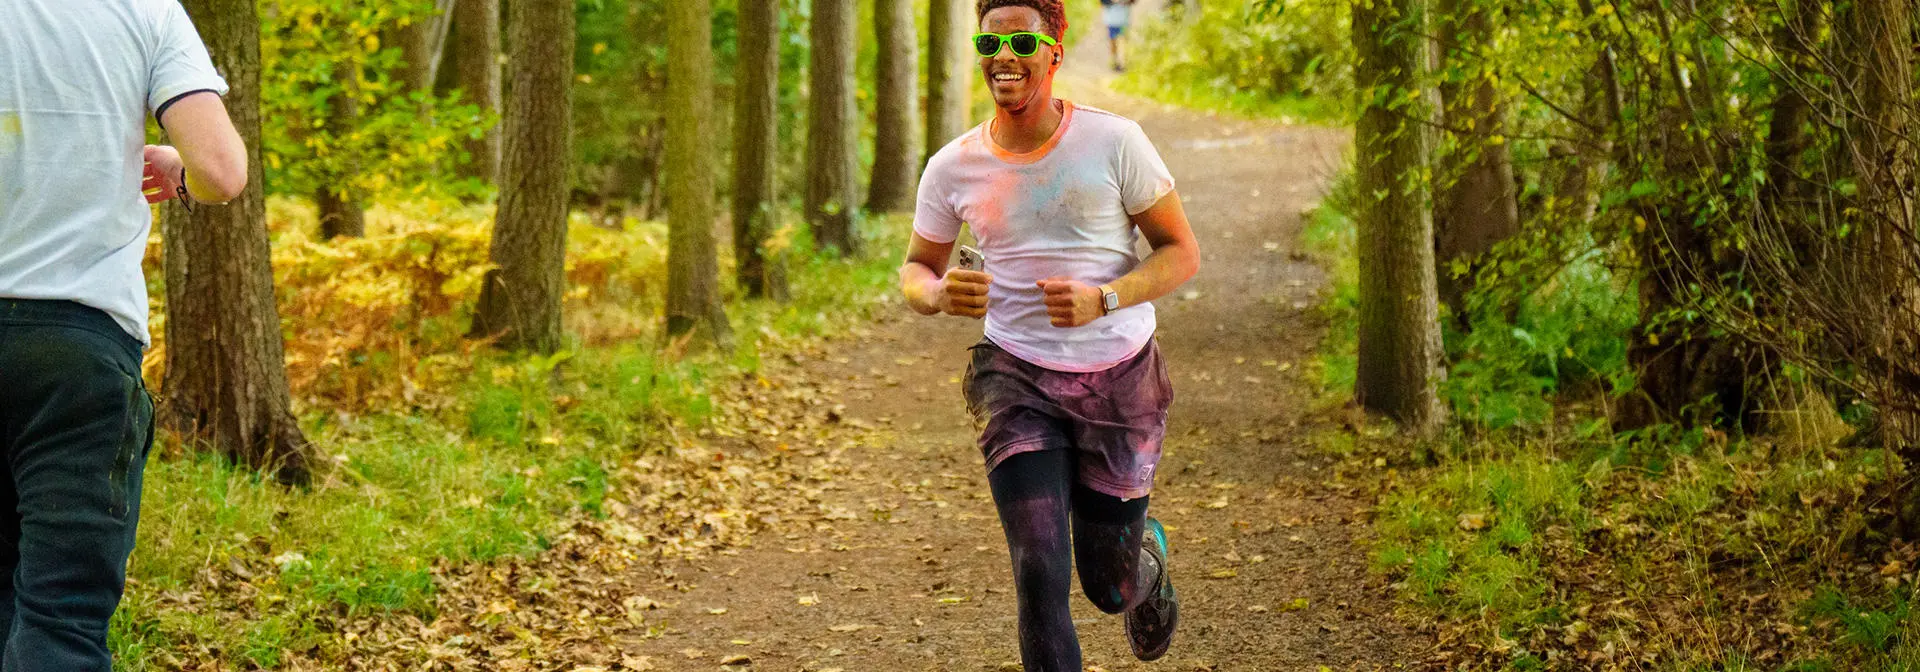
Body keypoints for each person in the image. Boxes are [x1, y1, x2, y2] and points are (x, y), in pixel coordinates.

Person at [899, 0, 1199, 668]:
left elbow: (1181, 252)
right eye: (989, 40)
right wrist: (938, 294)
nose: (1003, 53)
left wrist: (1106, 298)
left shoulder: (1115, 143)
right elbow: (918, 267)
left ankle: (1141, 561)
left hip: (1120, 381)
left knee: (1107, 586)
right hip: (1014, 378)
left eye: (1020, 39)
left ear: (1054, 53)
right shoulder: (953, 167)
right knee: (1038, 574)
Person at [0, 0, 247, 667]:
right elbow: (222, 172)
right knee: (61, 621)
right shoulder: (145, 12)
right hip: (76, 351)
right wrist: (180, 167)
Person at [1100, 0, 1135, 72]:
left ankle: (1123, 63)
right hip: (1111, 20)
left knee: (1123, 41)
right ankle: (1115, 61)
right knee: (1113, 42)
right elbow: (1103, 2)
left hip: (1123, 20)